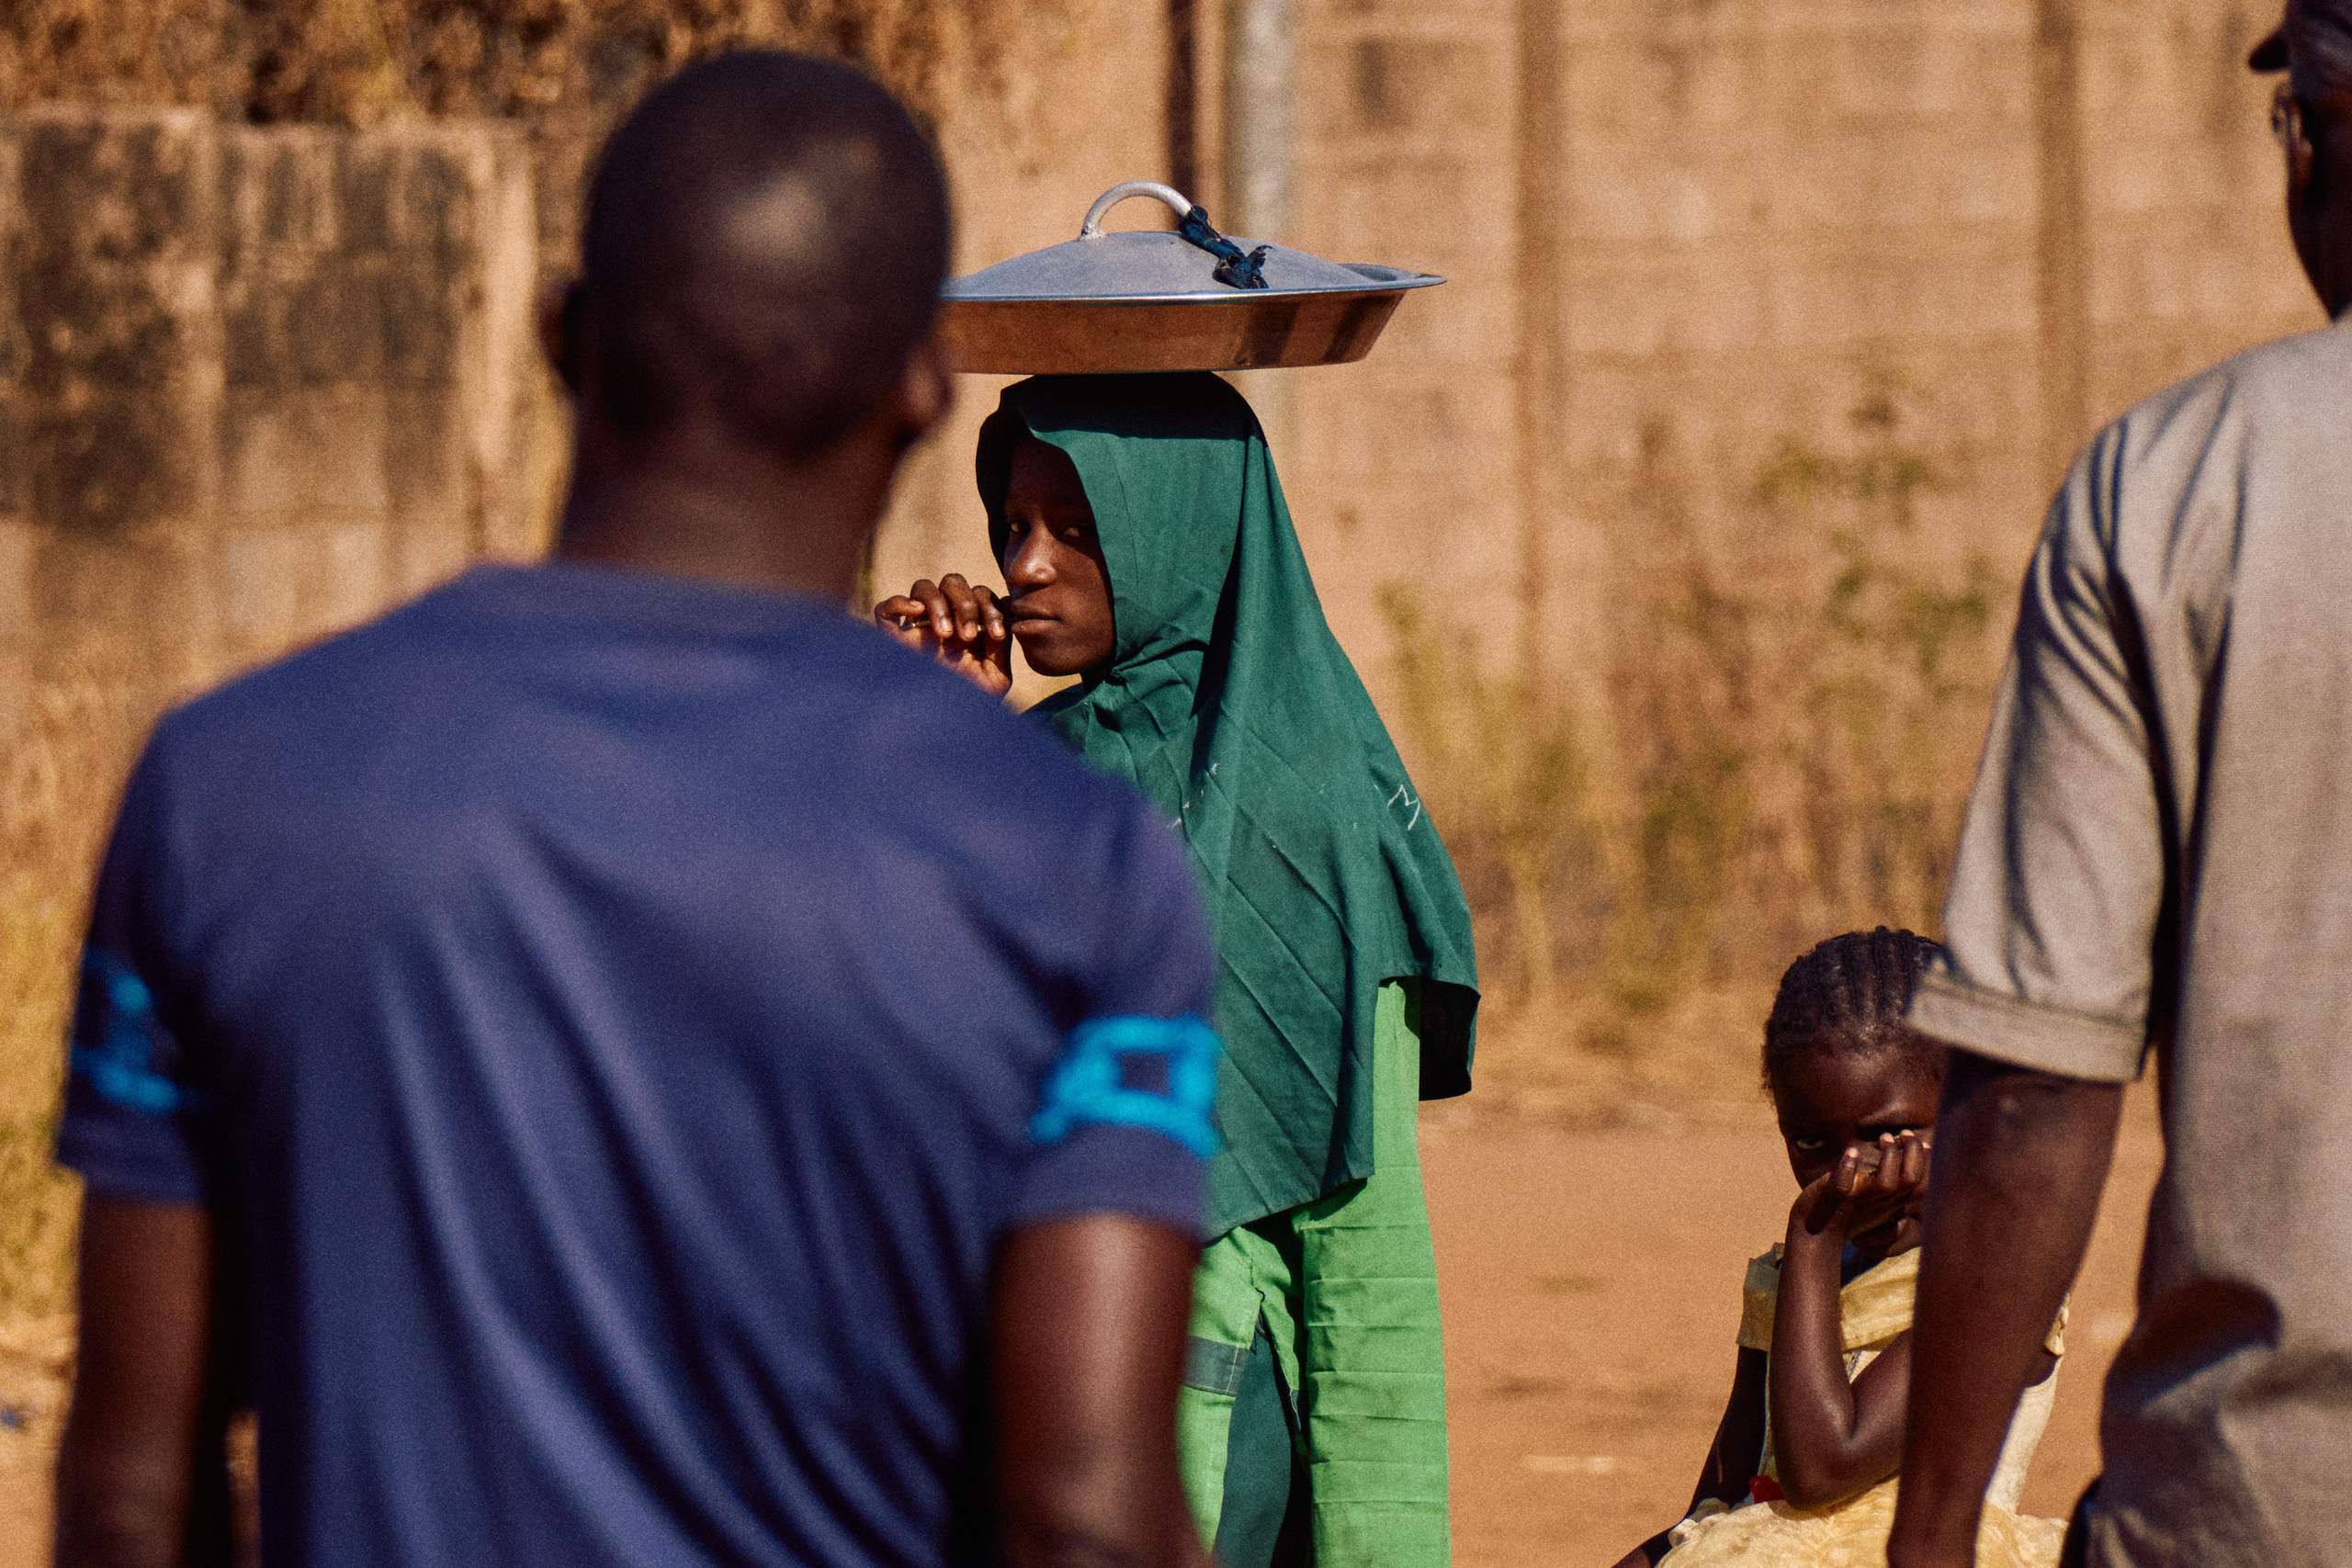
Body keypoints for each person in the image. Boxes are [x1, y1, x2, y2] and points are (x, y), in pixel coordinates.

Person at [51, 52, 1221, 1568]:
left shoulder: (226, 787)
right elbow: (1086, 1519)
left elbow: (137, 1491)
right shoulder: (1076, 868)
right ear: (928, 392)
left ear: (559, 338)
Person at [1886, 6, 2352, 1565]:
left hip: (2268, 1500)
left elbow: (2034, 1080)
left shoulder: (2181, 484)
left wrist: (1935, 1529)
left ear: (2314, 136)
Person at [875, 372, 1478, 1568]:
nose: (1026, 564)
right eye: (1013, 525)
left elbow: (1368, 1256)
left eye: (1079, 529)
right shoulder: (1038, 760)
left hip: (1196, 1416)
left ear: (1187, 532)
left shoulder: (1311, 822)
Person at [1610, 930, 2065, 1568]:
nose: (1852, 1169)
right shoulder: (1790, 1278)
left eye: (1889, 1134)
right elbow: (1724, 1494)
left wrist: (1815, 1240)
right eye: (1810, 1144)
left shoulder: (1999, 1278)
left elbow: (1824, 1464)